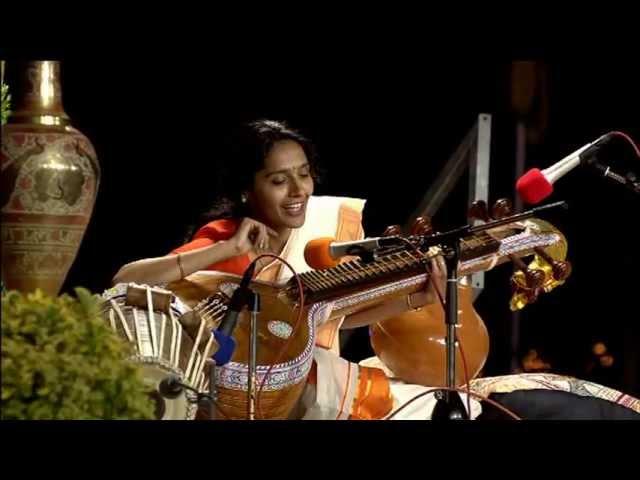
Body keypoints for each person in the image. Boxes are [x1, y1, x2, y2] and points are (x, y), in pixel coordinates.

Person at [113, 119, 481, 420]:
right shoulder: (230, 239)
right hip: (237, 399)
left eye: (303, 175)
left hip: (296, 384)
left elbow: (331, 316)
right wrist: (227, 248)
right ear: (246, 190)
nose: (297, 191)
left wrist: (416, 299)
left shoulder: (319, 236)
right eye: (278, 180)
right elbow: (125, 280)